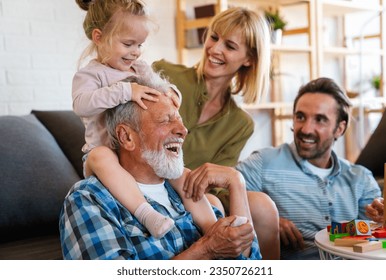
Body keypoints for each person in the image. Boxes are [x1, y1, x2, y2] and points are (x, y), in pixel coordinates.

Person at [59, 73, 260, 260]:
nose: (183, 130)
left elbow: (247, 264)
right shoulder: (88, 199)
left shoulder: (187, 190)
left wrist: (236, 183)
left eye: (180, 121)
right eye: (166, 121)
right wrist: (206, 250)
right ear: (127, 137)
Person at [185, 77, 383, 260]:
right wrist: (269, 220)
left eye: (320, 120)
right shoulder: (264, 162)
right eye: (300, 117)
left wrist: (383, 218)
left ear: (340, 128)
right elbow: (219, 195)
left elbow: (378, 238)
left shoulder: (361, 178)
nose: (306, 129)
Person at [72, 0, 215, 239]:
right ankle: (147, 214)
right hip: (105, 153)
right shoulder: (90, 75)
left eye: (140, 44)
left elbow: (163, 86)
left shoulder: (139, 68)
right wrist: (126, 91)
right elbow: (81, 104)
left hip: (137, 155)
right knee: (100, 156)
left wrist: (172, 93)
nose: (136, 51)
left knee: (181, 173)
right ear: (99, 37)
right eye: (128, 44)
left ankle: (214, 227)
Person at [153, 7, 280, 260]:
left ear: (249, 59)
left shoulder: (240, 124)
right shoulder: (166, 75)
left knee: (262, 205)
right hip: (152, 183)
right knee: (213, 204)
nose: (215, 49)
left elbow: (218, 180)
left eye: (230, 46)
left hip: (195, 194)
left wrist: (233, 184)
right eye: (214, 37)